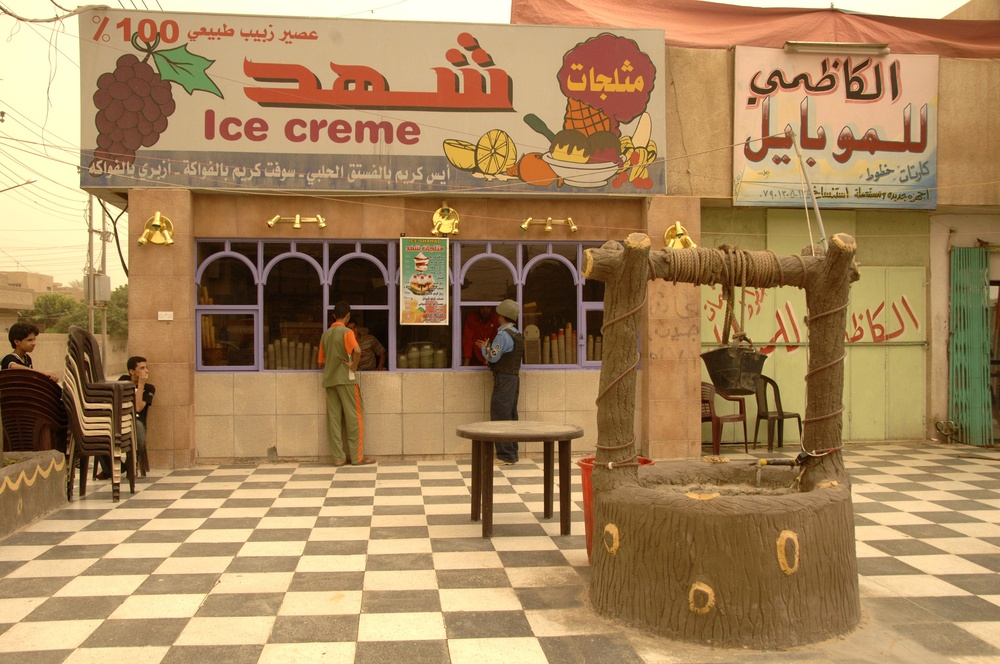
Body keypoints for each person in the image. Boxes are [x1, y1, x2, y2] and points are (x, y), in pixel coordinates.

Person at [318, 301, 374, 466]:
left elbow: (321, 361)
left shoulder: (325, 335)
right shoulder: (347, 332)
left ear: (334, 315)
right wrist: (353, 365)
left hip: (330, 381)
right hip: (347, 380)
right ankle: (357, 457)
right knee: (354, 418)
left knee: (333, 420)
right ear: (348, 316)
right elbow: (357, 350)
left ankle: (338, 458)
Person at [479, 299, 524, 465]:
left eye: (499, 315)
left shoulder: (503, 335)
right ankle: (512, 452)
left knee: (500, 415)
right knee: (510, 415)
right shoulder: (516, 334)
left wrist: (485, 348)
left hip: (503, 379)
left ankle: (505, 455)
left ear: (503, 317)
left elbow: (493, 356)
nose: (497, 317)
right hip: (513, 379)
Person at [98, 356, 154, 480]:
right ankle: (112, 468)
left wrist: (140, 385)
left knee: (139, 433)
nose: (147, 371)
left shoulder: (149, 388)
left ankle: (130, 465)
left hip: (136, 420)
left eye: (146, 368)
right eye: (142, 368)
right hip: (119, 418)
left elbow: (138, 408)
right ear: (132, 371)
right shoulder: (123, 381)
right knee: (99, 431)